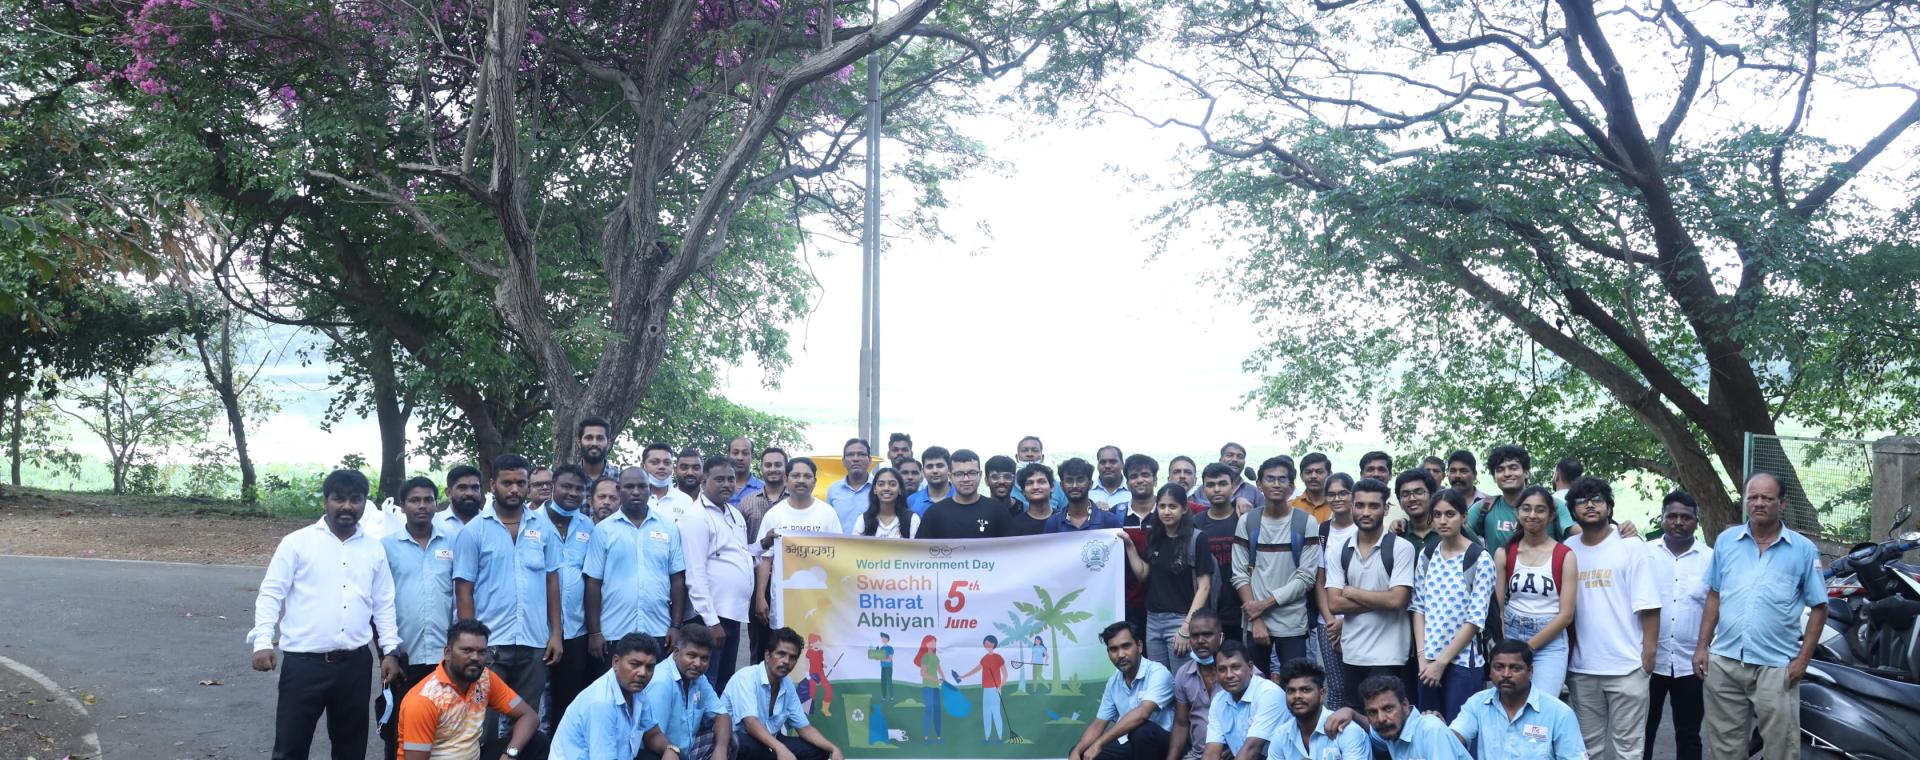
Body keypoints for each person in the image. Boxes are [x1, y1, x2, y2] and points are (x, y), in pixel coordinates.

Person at [249, 468, 401, 760]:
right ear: (326, 501)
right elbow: (271, 593)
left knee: (350, 749)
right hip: (305, 665)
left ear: (364, 503)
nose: (347, 506)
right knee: (291, 747)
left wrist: (390, 651)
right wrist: (263, 641)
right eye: (338, 499)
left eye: (355, 499)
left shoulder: (373, 549)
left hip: (354, 665)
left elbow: (384, 603)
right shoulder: (297, 543)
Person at [1694, 472, 1827, 760]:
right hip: (1725, 662)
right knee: (1725, 748)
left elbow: (1819, 607)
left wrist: (1802, 661)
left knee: (1780, 748)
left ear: (1782, 503)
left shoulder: (1803, 550)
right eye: (1752, 497)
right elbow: (1715, 594)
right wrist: (1702, 647)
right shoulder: (1727, 541)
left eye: (1767, 498)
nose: (1758, 503)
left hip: (1776, 666)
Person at [452, 454, 562, 755]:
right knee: (479, 723)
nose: (514, 489)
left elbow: (552, 582)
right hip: (490, 646)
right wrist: (470, 644)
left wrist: (555, 634)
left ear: (528, 486)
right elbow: (464, 588)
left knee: (525, 723)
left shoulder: (544, 529)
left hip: (533, 642)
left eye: (520, 483)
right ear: (493, 485)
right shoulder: (474, 531)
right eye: (507, 482)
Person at [1563, 476, 1659, 760]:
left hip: (1628, 667)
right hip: (1582, 668)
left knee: (1628, 750)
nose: (1590, 505)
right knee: (1586, 749)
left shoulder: (1631, 546)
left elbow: (1650, 604)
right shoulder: (1568, 548)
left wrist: (1648, 655)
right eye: (1582, 501)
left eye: (1597, 499)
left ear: (1609, 506)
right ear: (1572, 510)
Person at [380, 476, 457, 760]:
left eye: (428, 500)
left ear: (437, 504)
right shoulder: (386, 547)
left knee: (444, 728)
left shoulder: (452, 543)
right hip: (404, 655)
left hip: (443, 657)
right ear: (403, 506)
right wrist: (386, 653)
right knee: (399, 728)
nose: (422, 506)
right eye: (414, 500)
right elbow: (379, 603)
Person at [1324, 477, 1415, 709]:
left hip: (1390, 655)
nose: (1366, 512)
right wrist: (1383, 598)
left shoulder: (1401, 548)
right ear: (1352, 506)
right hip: (1352, 652)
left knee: (1389, 723)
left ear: (1385, 509)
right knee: (1356, 721)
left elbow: (1398, 600)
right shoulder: (1339, 550)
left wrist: (1351, 591)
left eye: (1373, 506)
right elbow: (1334, 603)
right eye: (1360, 505)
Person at [394, 619, 542, 760]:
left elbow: (529, 716)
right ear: (447, 653)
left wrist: (510, 754)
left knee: (537, 742)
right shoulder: (424, 699)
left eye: (482, 652)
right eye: (467, 650)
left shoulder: (485, 679)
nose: (475, 658)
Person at [1408, 488, 1496, 721]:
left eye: (1450, 514)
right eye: (1437, 515)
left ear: (1464, 517)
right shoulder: (1427, 554)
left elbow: (1476, 618)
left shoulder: (1478, 558)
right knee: (1430, 730)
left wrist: (1442, 662)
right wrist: (1423, 659)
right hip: (1427, 661)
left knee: (1460, 735)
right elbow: (1418, 607)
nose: (1443, 520)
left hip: (1463, 662)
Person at [584, 466, 688, 658]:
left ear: (649, 489)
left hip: (659, 630)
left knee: (656, 687)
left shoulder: (668, 527)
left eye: (641, 486)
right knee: (614, 687)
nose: (635, 492)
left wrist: (675, 625)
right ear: (618, 489)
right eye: (629, 487)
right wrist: (595, 632)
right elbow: (593, 583)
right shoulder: (603, 530)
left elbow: (677, 579)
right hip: (614, 631)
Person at [1233, 455, 1321, 673]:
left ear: (1291, 487)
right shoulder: (1248, 522)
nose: (1276, 484)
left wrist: (1264, 605)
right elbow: (1240, 574)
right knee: (1256, 685)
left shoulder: (1305, 523)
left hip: (1292, 622)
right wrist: (1257, 619)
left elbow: (1306, 578)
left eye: (1283, 480)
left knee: (1296, 682)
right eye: (1270, 479)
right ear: (1259, 484)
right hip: (1256, 621)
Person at [1493, 485, 1578, 700]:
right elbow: (1498, 608)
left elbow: (1566, 614)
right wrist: (1505, 646)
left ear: (1551, 516)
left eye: (1540, 510)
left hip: (1549, 641)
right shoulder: (1505, 553)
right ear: (1517, 513)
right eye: (1526, 509)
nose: (1532, 515)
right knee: (1508, 704)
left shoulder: (1565, 555)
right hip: (1511, 634)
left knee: (1541, 705)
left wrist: (1527, 648)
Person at [1645, 490, 1710, 760]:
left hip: (1691, 663)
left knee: (1689, 733)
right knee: (1643, 730)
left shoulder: (1710, 558)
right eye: (1672, 516)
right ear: (1662, 519)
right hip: (1648, 660)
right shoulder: (1644, 554)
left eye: (1686, 517)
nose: (1678, 522)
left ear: (1696, 521)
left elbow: (1716, 607)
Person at [1123, 483, 1216, 670]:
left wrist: (1187, 627)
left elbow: (1204, 587)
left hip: (1180, 619)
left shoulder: (1197, 539)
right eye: (1162, 506)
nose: (1166, 511)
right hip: (1153, 619)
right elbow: (1143, 574)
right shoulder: (1154, 537)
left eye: (1172, 506)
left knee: (1181, 679)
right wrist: (1129, 546)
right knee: (1159, 681)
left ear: (1184, 509)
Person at [680, 455, 752, 690]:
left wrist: (765, 544)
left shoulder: (734, 513)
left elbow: (739, 554)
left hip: (732, 614)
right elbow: (695, 572)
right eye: (719, 479)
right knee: (704, 683)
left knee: (724, 681)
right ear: (703, 481)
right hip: (709, 618)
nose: (726, 484)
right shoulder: (695, 517)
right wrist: (711, 622)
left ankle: (717, 727)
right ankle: (703, 728)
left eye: (730, 479)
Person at [551, 633, 680, 760]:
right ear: (616, 662)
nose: (643, 673)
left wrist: (671, 749)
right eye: (635, 664)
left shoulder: (637, 689)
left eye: (650, 667)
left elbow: (652, 733)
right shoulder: (601, 703)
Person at [723, 628, 846, 760]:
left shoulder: (787, 684)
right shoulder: (746, 677)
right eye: (781, 654)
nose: (786, 661)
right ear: (767, 655)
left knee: (818, 751)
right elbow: (750, 724)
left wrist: (833, 748)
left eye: (792, 657)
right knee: (744, 745)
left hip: (769, 743)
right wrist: (780, 748)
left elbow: (805, 728)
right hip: (740, 742)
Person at [1448, 640, 1584, 760]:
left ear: (1530, 671)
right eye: (1499, 667)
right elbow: (1455, 739)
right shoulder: (1477, 703)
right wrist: (1437, 729)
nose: (1506, 674)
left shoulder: (1559, 713)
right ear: (1490, 671)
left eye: (1515, 668)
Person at [752, 458, 839, 633]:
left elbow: (837, 555)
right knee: (784, 651)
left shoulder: (827, 513)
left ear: (814, 482)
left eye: (807, 476)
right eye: (796, 475)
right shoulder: (774, 515)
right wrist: (760, 596)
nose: (801, 480)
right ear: (786, 479)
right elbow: (765, 559)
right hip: (784, 601)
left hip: (820, 600)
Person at [1070, 622, 1175, 760]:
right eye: (1113, 649)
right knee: (1082, 754)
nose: (1120, 655)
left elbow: (1142, 713)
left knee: (1142, 731)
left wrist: (1100, 743)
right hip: (1131, 744)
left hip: (1163, 746)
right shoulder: (1113, 683)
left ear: (1139, 646)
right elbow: (1098, 724)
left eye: (1126, 646)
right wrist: (1076, 751)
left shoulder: (1158, 673)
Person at [547, 464, 602, 724]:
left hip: (576, 632)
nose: (572, 493)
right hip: (538, 630)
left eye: (579, 489)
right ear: (553, 487)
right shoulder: (532, 522)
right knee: (531, 699)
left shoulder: (588, 527)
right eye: (566, 486)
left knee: (567, 701)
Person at [641, 623, 732, 760]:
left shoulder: (699, 678)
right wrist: (672, 751)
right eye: (691, 655)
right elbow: (652, 736)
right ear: (676, 652)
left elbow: (722, 715)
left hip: (686, 750)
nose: (697, 663)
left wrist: (720, 749)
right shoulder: (661, 682)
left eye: (704, 658)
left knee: (730, 741)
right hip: (663, 752)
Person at [1466, 445, 1581, 549]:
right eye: (1500, 470)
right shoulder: (1484, 508)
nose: (1507, 474)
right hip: (1499, 571)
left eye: (1513, 468)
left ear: (1526, 472)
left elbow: (1580, 535)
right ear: (1494, 476)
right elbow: (1457, 531)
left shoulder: (1552, 505)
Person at [1310, 472, 1357, 709]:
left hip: (1359, 620)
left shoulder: (1363, 528)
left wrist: (1344, 621)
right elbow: (1320, 580)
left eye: (1342, 493)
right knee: (1336, 687)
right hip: (1326, 622)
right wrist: (1330, 621)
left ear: (1352, 495)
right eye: (1332, 494)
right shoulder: (1323, 531)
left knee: (1360, 686)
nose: (1337, 498)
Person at [738, 447, 789, 663]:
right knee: (759, 643)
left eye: (778, 464)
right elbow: (740, 546)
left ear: (785, 468)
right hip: (756, 580)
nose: (773, 469)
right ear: (761, 468)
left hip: (789, 581)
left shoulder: (795, 500)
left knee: (786, 641)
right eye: (768, 465)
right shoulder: (747, 502)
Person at [1196, 641, 1287, 760]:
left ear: (1250, 668)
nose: (1229, 675)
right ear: (1216, 673)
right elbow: (1211, 752)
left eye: (1235, 667)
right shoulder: (1219, 700)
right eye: (1222, 669)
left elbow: (1251, 751)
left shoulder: (1269, 693)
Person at [1270, 657, 1369, 760]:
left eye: (1305, 690)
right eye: (1291, 691)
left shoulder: (1347, 731)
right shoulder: (1282, 734)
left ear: (1322, 694)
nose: (1297, 696)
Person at [1354, 675, 1469, 760]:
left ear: (1404, 706)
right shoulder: (1389, 730)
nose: (1381, 718)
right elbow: (1372, 732)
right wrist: (1352, 714)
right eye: (1372, 712)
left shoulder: (1430, 729)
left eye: (1388, 709)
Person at [1193, 463, 1245, 645]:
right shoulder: (1196, 523)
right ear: (1203, 489)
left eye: (1222, 483)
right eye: (1210, 484)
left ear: (1233, 486)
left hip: (1242, 608)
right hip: (1208, 609)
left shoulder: (1245, 519)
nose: (1216, 489)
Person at [1170, 609, 1230, 760]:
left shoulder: (1239, 671)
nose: (1200, 640)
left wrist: (1241, 747)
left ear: (1221, 637)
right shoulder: (1183, 674)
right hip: (1197, 755)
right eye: (1195, 636)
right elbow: (1181, 724)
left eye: (1207, 634)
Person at [916, 449, 1009, 539]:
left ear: (980, 475)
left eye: (972, 473)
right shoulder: (934, 513)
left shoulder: (997, 511)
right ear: (950, 476)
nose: (966, 479)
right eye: (959, 474)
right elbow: (921, 550)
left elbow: (1011, 549)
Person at [956, 634, 1012, 743]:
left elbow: (1005, 674)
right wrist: (962, 676)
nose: (987, 645)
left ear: (994, 644)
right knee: (986, 713)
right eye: (985, 643)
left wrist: (1000, 686)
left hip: (995, 689)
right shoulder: (985, 658)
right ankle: (987, 738)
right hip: (986, 689)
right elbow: (975, 670)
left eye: (989, 643)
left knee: (996, 712)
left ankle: (1000, 737)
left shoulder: (998, 657)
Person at [1048, 461, 1124, 532]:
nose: (1075, 486)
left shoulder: (1109, 520)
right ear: (1061, 486)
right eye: (1069, 481)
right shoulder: (1053, 523)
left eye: (1080, 480)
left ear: (1090, 484)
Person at [639, 442, 695, 524]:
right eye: (655, 462)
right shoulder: (634, 498)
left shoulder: (686, 501)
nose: (662, 467)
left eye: (667, 463)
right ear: (642, 466)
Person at [826, 437, 873, 533]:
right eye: (850, 455)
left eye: (861, 454)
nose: (855, 459)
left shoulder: (879, 489)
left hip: (871, 546)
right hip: (840, 546)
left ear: (870, 460)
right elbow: (827, 523)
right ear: (843, 461)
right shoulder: (833, 489)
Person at [1392, 469, 1441, 554]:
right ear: (1399, 502)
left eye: (1419, 492)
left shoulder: (1450, 530)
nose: (1412, 498)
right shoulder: (1397, 536)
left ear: (1432, 496)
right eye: (1405, 494)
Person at [857, 466, 915, 538]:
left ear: (900, 489)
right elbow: (855, 548)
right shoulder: (863, 519)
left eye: (892, 484)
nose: (886, 488)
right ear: (875, 489)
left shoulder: (912, 519)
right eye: (881, 484)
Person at [1011, 435, 1068, 509]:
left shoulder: (1057, 487)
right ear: (1016, 457)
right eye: (1024, 450)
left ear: (1042, 457)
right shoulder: (1009, 486)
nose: (1030, 454)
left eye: (1035, 450)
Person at [1010, 462, 1060, 536]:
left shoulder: (1064, 520)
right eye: (1029, 483)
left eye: (1041, 482)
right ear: (1023, 491)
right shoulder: (1014, 525)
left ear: (1052, 487)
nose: (1035, 487)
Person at [913, 635, 945, 742]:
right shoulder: (925, 656)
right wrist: (937, 680)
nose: (934, 644)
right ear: (926, 644)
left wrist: (944, 679)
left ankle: (939, 735)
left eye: (935, 642)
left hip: (936, 688)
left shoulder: (935, 657)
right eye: (932, 642)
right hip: (928, 687)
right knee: (929, 710)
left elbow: (939, 670)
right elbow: (923, 673)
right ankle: (926, 736)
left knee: (937, 711)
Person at [906, 446, 953, 515]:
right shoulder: (911, 501)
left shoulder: (961, 496)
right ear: (923, 471)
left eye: (940, 466)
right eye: (929, 466)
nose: (935, 471)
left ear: (949, 469)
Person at [441, 465, 487, 535]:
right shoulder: (434, 524)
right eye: (462, 487)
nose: (470, 493)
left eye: (475, 487)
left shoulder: (491, 524)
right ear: (448, 492)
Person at [1217, 443, 1264, 510]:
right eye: (1229, 455)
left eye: (1240, 457)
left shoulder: (1254, 492)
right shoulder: (1204, 490)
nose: (1235, 460)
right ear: (1220, 460)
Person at [1291, 453, 1331, 522]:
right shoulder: (1291, 506)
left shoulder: (1337, 506)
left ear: (1329, 475)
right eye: (1308, 472)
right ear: (1301, 476)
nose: (1313, 476)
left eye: (1319, 472)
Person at [576, 416, 618, 482]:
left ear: (608, 444)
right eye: (589, 438)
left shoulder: (619, 479)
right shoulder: (568, 478)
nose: (594, 443)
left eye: (600, 438)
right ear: (579, 443)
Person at [726, 437, 764, 507]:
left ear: (752, 457)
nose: (740, 458)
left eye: (745, 453)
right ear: (728, 456)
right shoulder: (718, 487)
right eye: (735, 453)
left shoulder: (763, 489)